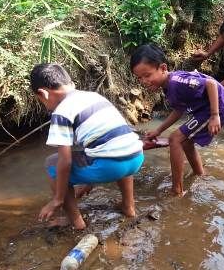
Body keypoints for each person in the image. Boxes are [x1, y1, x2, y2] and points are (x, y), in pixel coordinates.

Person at [30, 63, 144, 230]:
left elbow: (65, 161)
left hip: (110, 166)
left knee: (52, 163)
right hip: (136, 157)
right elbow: (107, 141)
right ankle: (128, 207)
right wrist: (88, 183)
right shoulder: (93, 97)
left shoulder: (61, 112)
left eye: (40, 100)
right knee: (118, 148)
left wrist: (57, 200)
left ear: (43, 93)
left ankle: (75, 222)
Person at [130, 44, 224, 196]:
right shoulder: (168, 86)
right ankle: (200, 174)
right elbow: (178, 110)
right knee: (184, 141)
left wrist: (214, 115)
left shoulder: (176, 82)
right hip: (204, 109)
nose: (144, 81)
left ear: (163, 68)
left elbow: (211, 83)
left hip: (216, 107)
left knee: (175, 139)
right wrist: (158, 130)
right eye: (139, 78)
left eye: (147, 75)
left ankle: (177, 190)